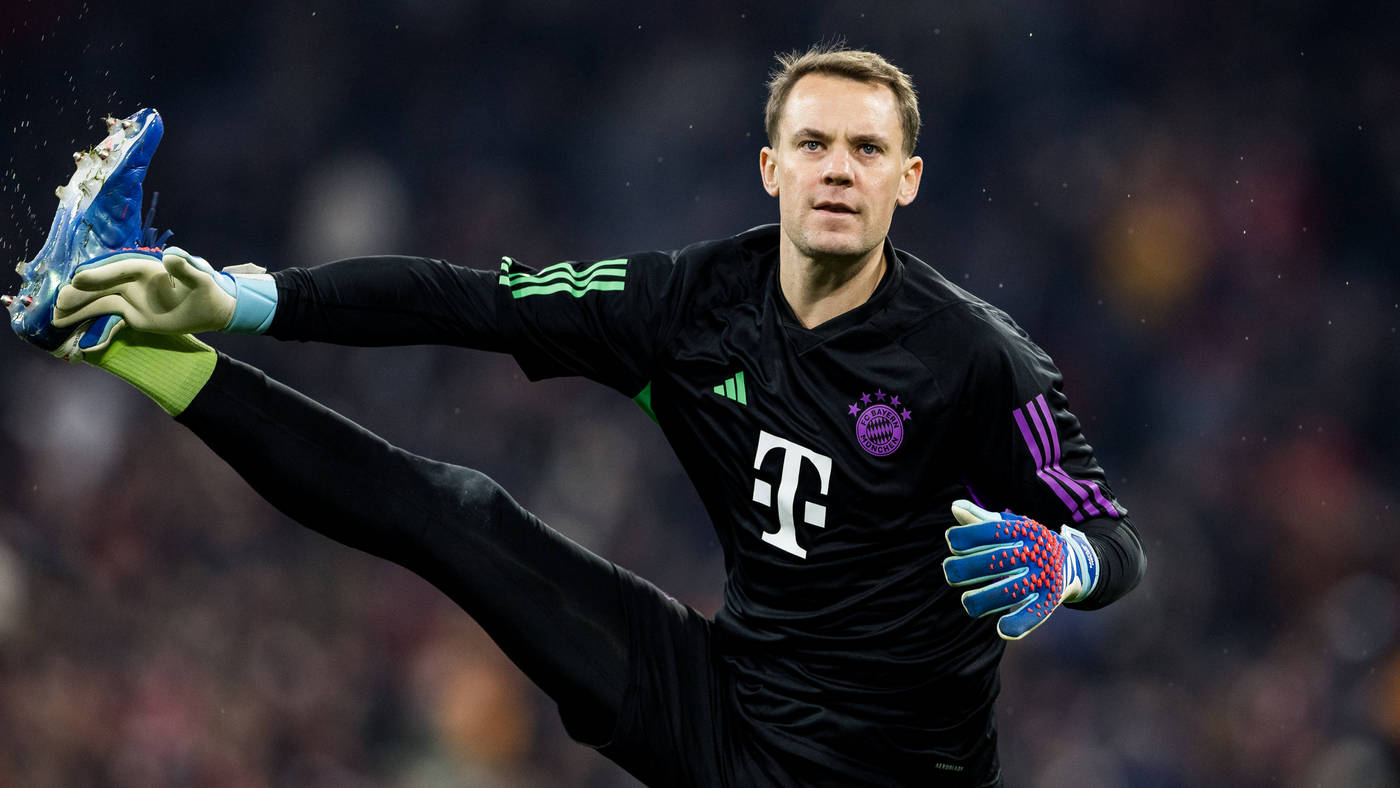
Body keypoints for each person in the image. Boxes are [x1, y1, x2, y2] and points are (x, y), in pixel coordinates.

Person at [8, 45, 1144, 787]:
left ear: (907, 179)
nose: (837, 169)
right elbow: (468, 301)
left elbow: (1112, 535)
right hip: (719, 705)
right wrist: (238, 296)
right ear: (770, 167)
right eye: (813, 143)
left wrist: (1066, 564)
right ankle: (121, 335)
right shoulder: (688, 304)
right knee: (455, 511)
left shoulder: (979, 360)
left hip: (895, 772)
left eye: (866, 149)